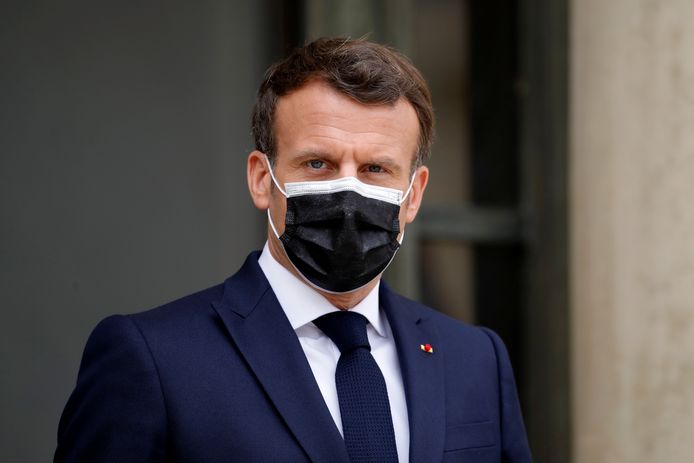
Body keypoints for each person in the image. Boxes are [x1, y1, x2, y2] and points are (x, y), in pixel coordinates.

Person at [55, 37, 532, 463]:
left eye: (375, 169)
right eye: (318, 163)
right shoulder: (153, 359)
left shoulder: (475, 359)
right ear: (262, 179)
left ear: (414, 195)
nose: (348, 193)